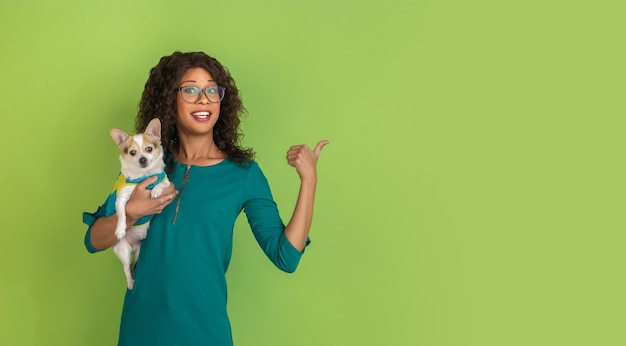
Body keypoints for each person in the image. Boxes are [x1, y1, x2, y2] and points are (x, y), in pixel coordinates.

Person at [82, 51, 328, 346]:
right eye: (190, 90)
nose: (204, 99)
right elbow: (93, 240)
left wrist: (309, 181)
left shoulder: (243, 175)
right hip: (141, 332)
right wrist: (131, 213)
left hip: (205, 335)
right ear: (168, 99)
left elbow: (286, 257)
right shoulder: (146, 165)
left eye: (212, 90)